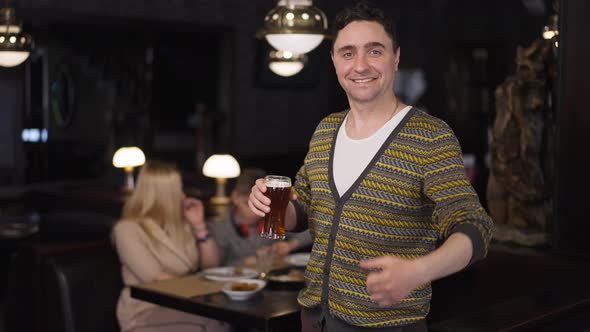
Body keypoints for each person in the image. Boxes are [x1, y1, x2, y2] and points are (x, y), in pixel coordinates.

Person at [248, 2, 493, 331]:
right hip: (314, 319)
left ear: (396, 57)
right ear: (333, 60)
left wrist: (418, 271)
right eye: (347, 53)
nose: (360, 65)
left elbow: (476, 226)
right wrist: (268, 204)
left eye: (374, 51)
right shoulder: (326, 130)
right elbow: (304, 211)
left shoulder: (429, 137)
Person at [112, 161, 230, 332]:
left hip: (184, 303)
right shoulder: (127, 229)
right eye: (177, 190)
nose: (183, 196)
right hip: (145, 309)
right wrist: (209, 288)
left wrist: (199, 226)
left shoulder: (181, 224)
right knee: (209, 326)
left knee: (221, 322)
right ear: (162, 195)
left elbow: (211, 266)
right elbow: (156, 278)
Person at [209, 168, 312, 267]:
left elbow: (311, 230)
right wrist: (245, 262)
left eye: (261, 203)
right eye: (247, 204)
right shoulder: (220, 226)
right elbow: (215, 266)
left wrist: (289, 245)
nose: (255, 212)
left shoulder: (271, 218)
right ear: (235, 197)